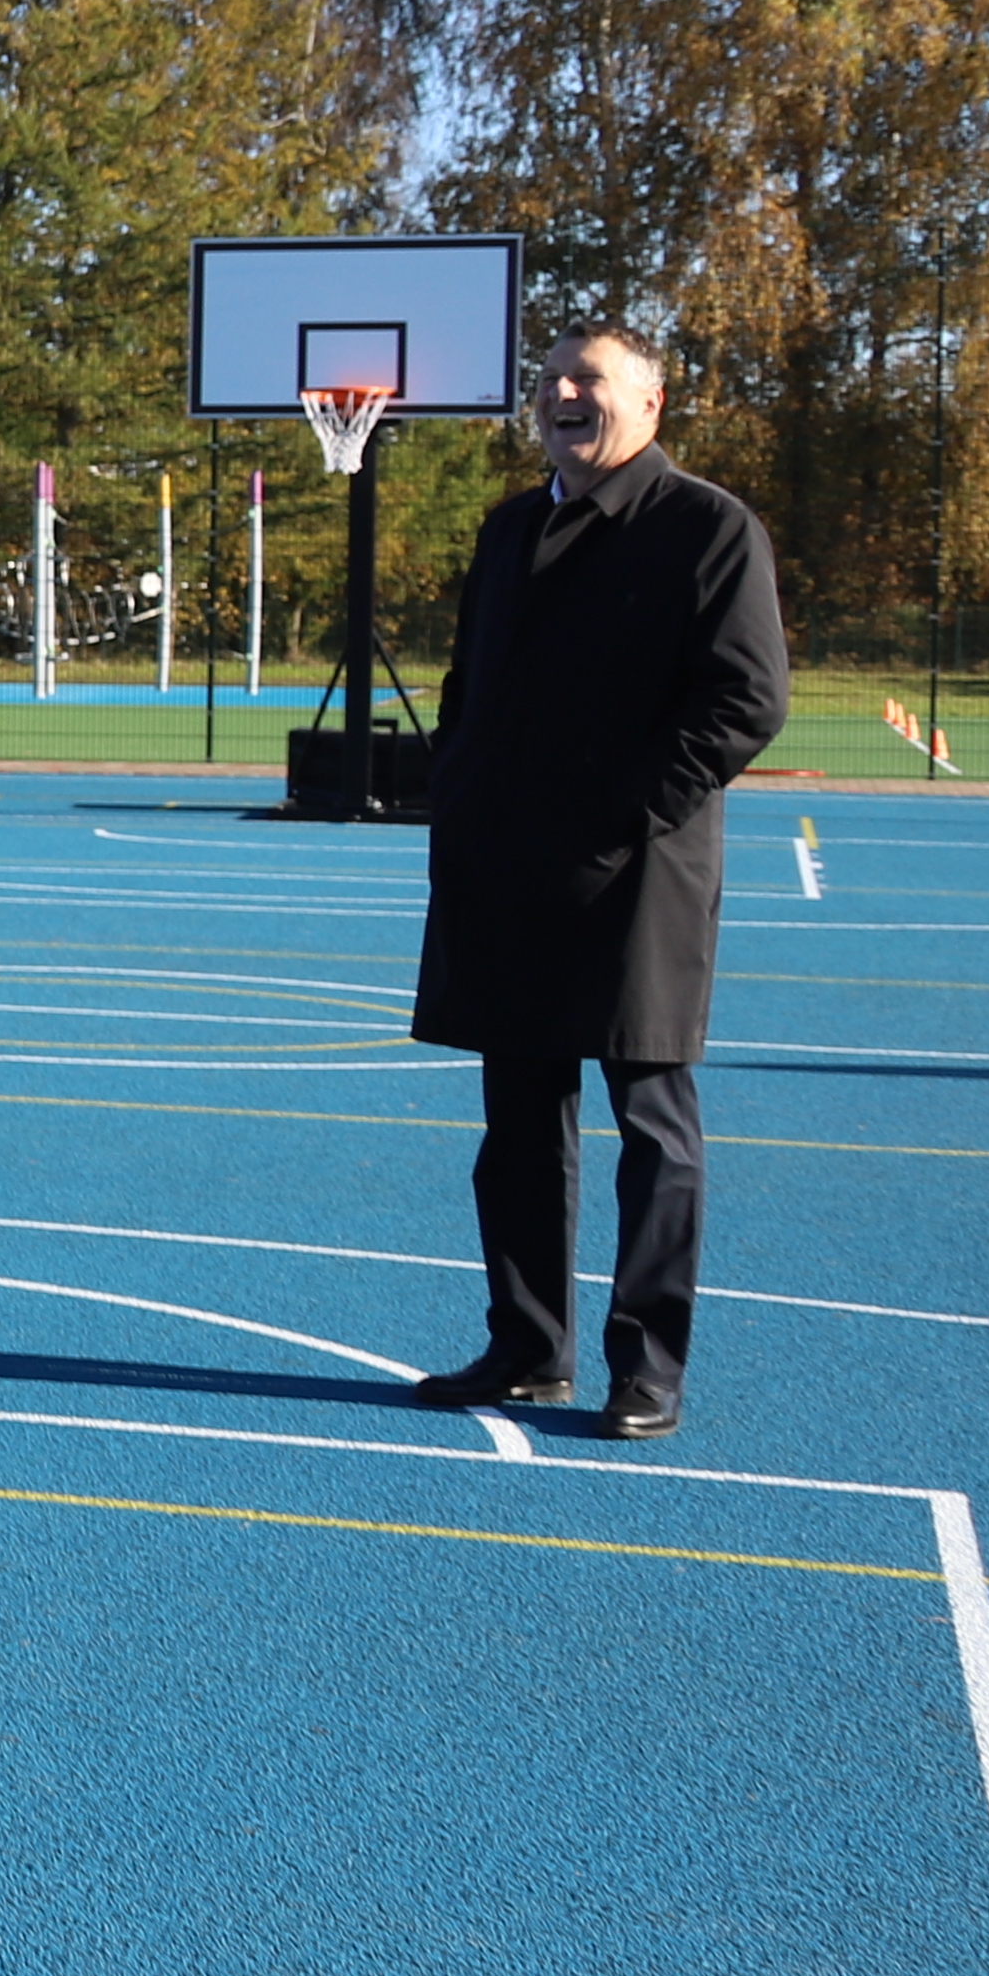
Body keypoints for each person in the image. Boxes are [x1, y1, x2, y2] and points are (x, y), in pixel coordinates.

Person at [406, 322, 791, 1437]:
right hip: (506, 870)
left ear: (652, 403)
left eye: (593, 380)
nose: (567, 395)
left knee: (654, 1128)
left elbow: (745, 701)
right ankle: (528, 1345)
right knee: (518, 1121)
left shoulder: (709, 527)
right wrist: (465, 785)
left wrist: (627, 814)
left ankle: (647, 1369)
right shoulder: (511, 527)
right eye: (554, 380)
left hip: (638, 879)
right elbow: (471, 681)